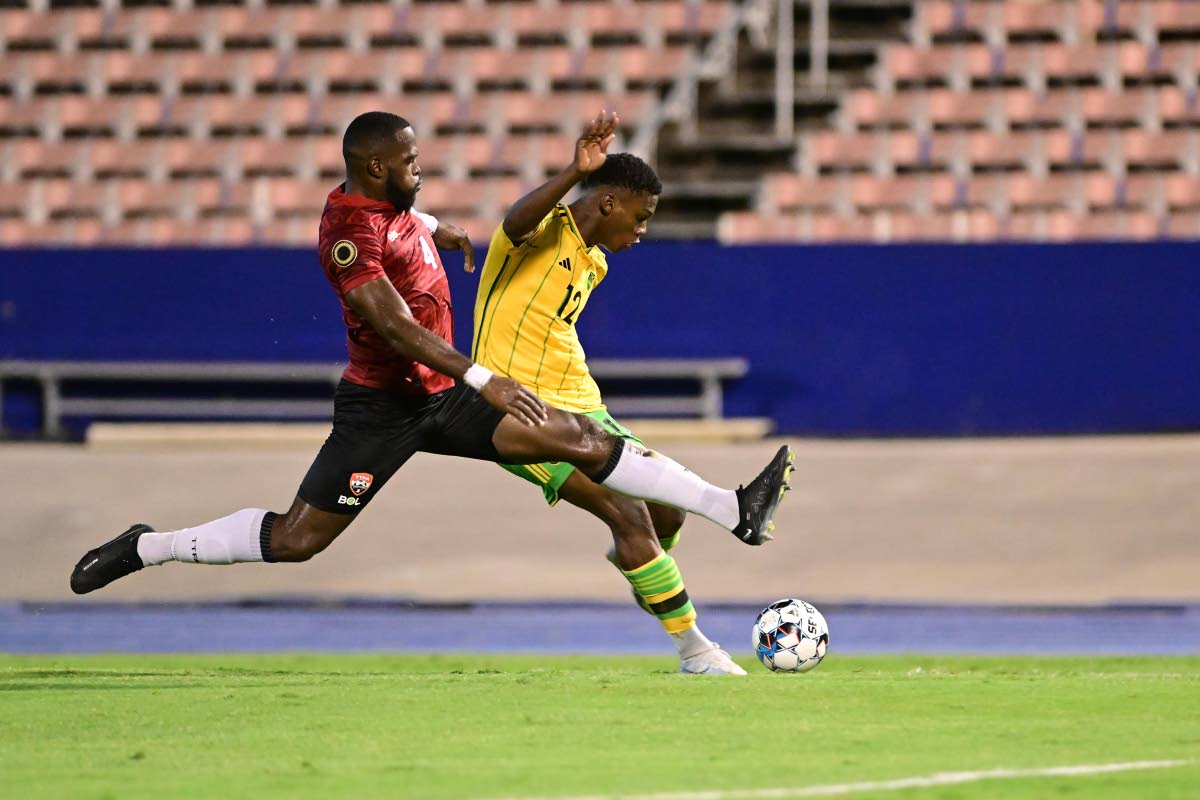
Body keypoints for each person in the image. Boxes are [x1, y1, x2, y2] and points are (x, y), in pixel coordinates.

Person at [70, 112, 793, 675]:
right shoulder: (346, 239)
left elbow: (398, 218)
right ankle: (151, 545)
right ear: (377, 166)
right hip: (386, 407)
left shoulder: (384, 205)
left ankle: (733, 510)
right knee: (297, 540)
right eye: (411, 162)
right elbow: (394, 326)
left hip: (446, 398)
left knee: (582, 439)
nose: (421, 168)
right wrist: (484, 377)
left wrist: (433, 226)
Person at [472, 112, 791, 676]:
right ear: (607, 204)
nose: (642, 231)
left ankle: (640, 564)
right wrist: (575, 170)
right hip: (523, 413)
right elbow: (514, 220)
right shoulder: (536, 235)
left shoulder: (594, 261)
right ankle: (697, 651)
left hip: (583, 405)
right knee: (628, 512)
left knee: (667, 511)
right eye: (640, 217)